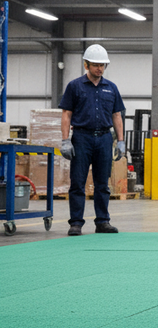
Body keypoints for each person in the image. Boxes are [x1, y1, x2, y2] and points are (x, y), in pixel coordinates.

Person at [59, 44, 126, 236]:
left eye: (103, 65)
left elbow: (117, 115)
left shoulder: (111, 88)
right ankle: (76, 223)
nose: (100, 68)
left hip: (104, 138)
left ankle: (103, 222)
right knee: (78, 182)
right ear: (86, 64)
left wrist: (120, 141)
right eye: (96, 65)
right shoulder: (75, 86)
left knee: (102, 183)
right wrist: (65, 140)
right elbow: (67, 114)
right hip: (82, 138)